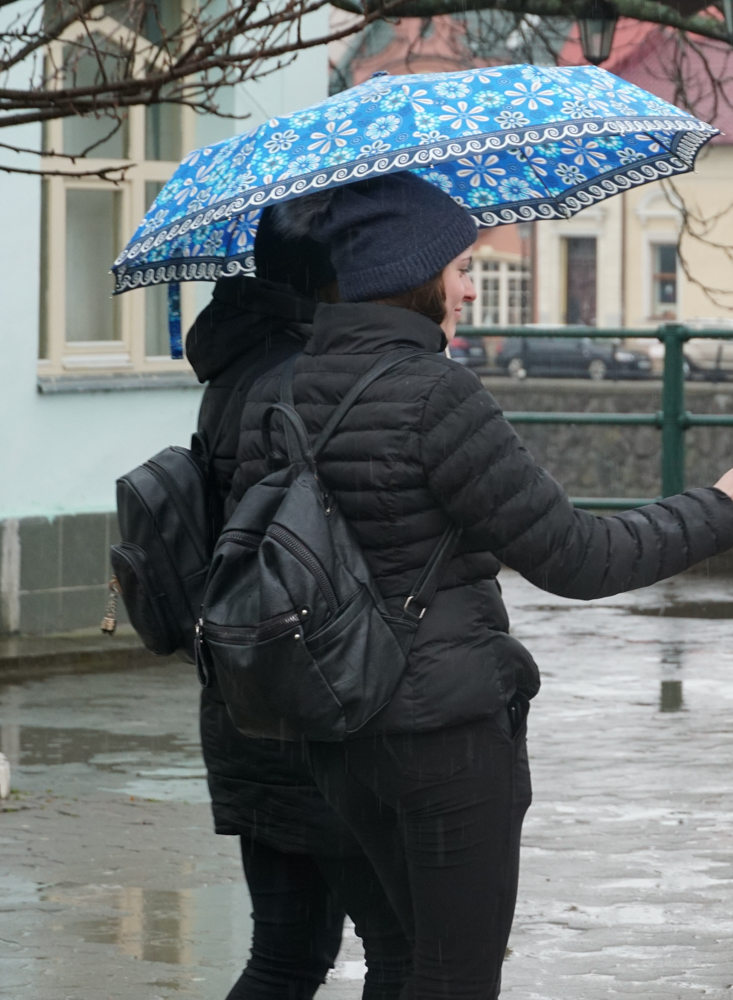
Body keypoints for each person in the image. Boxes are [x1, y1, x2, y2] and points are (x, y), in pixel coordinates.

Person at [229, 172, 733, 1000]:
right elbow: (577, 556)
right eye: (458, 266)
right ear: (410, 275)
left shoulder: (276, 391)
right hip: (447, 738)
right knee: (455, 980)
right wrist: (720, 508)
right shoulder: (437, 394)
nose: (468, 286)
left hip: (340, 734)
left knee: (408, 960)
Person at [187, 218, 413, 999]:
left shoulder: (238, 365)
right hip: (314, 696)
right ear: (334, 279)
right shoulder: (302, 377)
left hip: (247, 691)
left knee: (285, 953)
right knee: (399, 947)